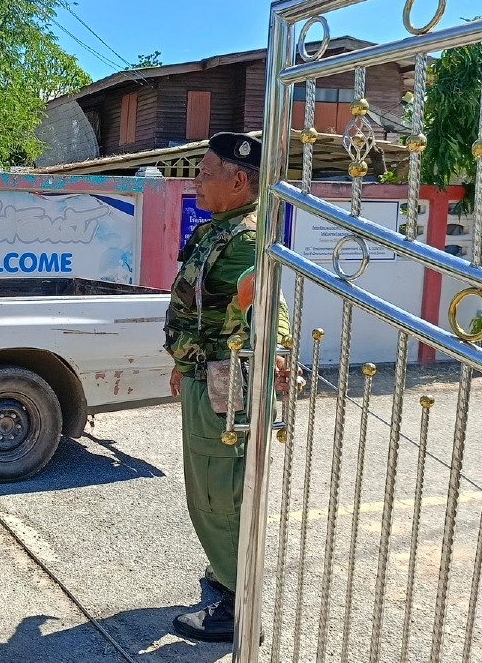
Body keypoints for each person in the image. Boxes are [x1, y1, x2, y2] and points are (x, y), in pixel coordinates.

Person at [164, 132, 292, 642]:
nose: (196, 180)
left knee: (220, 495)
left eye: (205, 172)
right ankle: (226, 579)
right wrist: (180, 362)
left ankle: (241, 607)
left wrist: (278, 348)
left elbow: (264, 300)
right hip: (203, 376)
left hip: (225, 388)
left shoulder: (244, 239)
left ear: (239, 181)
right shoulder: (222, 229)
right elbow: (200, 309)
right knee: (212, 490)